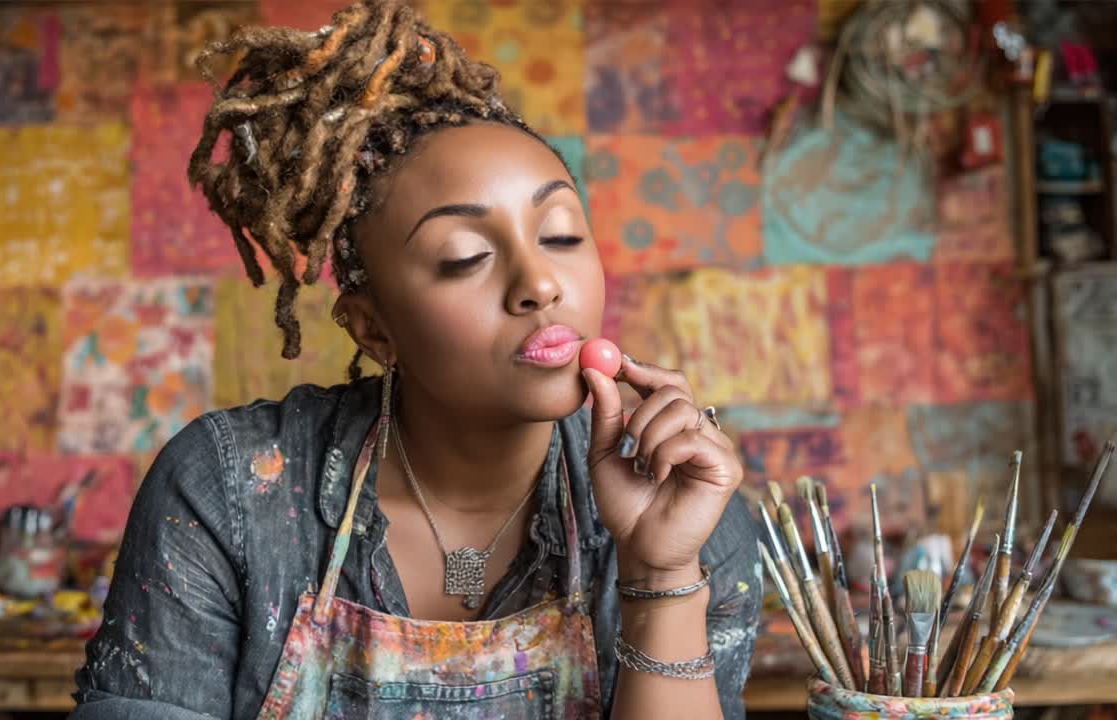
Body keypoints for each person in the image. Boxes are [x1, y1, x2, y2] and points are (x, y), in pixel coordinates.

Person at [72, 2, 759, 717]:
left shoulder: (686, 507)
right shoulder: (229, 494)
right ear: (373, 330)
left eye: (560, 236)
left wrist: (660, 571)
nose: (541, 284)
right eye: (464, 258)